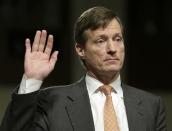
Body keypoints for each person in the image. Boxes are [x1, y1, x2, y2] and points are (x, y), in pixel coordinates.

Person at [0, 6, 167, 131]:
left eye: (117, 39)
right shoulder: (52, 101)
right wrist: (32, 79)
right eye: (101, 41)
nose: (112, 48)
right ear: (81, 50)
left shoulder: (151, 105)